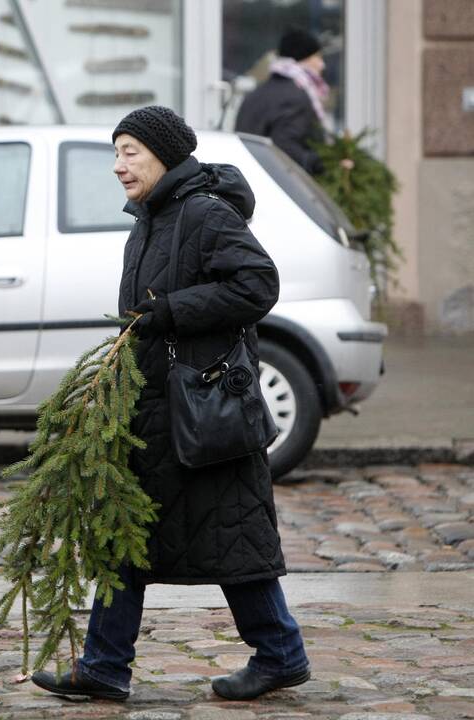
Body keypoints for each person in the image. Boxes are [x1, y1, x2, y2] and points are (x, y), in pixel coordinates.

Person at [31, 106, 310, 702]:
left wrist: (174, 309)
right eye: (116, 153)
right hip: (152, 411)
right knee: (124, 533)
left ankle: (280, 653)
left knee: (233, 534)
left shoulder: (205, 214)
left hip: (205, 411)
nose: (118, 166)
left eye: (130, 151)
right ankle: (104, 666)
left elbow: (258, 284)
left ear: (165, 154)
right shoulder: (150, 221)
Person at [235, 28, 329, 174]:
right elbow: (284, 147)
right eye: (317, 57)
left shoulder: (259, 91)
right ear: (303, 57)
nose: (322, 64)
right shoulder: (295, 96)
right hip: (280, 183)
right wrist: (321, 164)